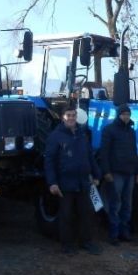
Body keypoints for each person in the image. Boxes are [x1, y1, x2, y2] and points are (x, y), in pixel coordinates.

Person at [44, 105, 103, 255]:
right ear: (62, 117)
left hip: (83, 182)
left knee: (86, 213)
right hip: (66, 183)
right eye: (68, 115)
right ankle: (67, 245)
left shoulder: (82, 135)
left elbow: (90, 157)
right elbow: (49, 161)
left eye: (73, 115)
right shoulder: (55, 136)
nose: (71, 118)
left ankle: (86, 242)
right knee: (66, 215)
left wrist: (97, 175)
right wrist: (52, 182)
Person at [99, 104, 138, 245]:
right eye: (124, 114)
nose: (126, 117)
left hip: (130, 173)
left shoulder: (131, 132)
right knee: (115, 204)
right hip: (116, 172)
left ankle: (125, 232)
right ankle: (114, 234)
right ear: (119, 115)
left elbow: (134, 152)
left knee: (127, 204)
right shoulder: (109, 130)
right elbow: (104, 152)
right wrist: (106, 171)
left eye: (128, 114)